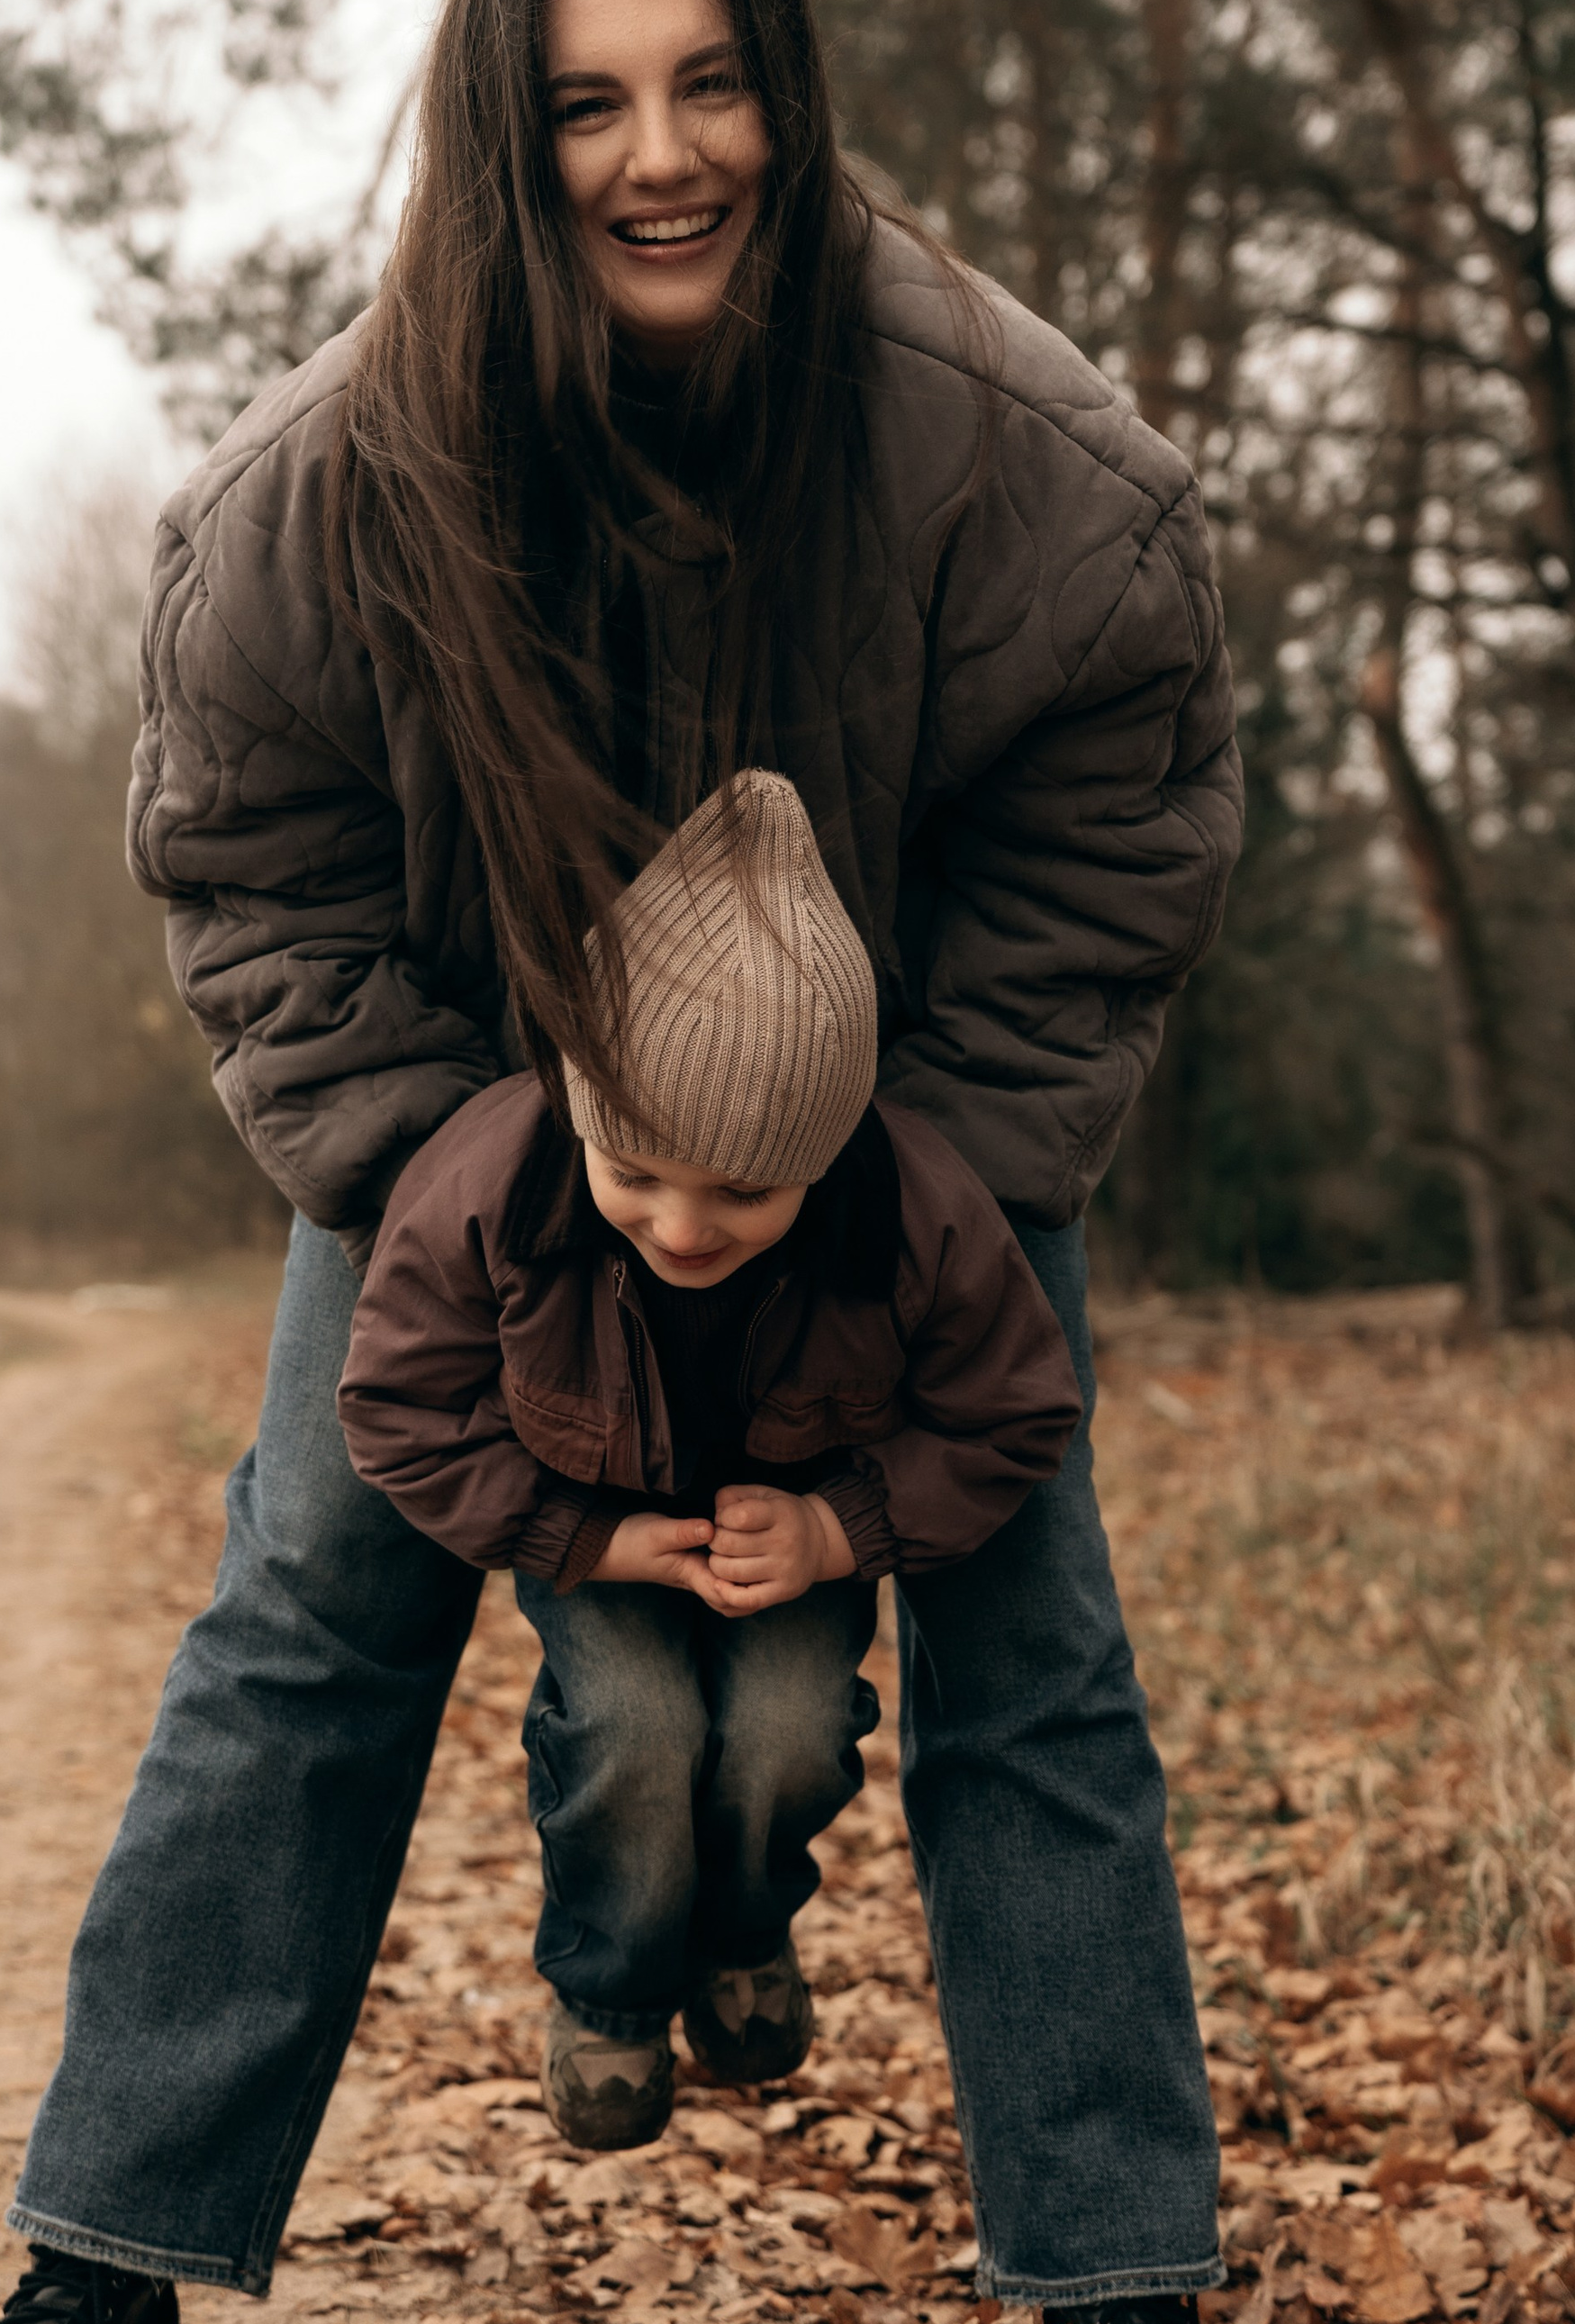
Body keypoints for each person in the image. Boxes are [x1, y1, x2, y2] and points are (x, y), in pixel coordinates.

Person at [0, 0, 1252, 2324]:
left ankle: (1124, 2320)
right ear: (500, 146)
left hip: (893, 1149)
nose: (664, 154)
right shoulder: (332, 482)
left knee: (1038, 1656)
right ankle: (101, 2299)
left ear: (789, 95)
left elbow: (1122, 811)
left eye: (712, 81)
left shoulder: (1009, 443)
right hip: (471, 1159)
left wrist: (902, 1188)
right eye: (590, 103)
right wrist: (473, 1197)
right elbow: (246, 860)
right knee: (305, 1613)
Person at [336, 769, 1083, 2153]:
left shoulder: (913, 1211)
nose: (681, 1228)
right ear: (582, 1108)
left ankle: (745, 1933)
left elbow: (1015, 1409)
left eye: (743, 1191)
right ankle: (613, 1990)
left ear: (827, 1150)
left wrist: (841, 1530)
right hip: (596, 1530)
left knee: (791, 1736)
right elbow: (397, 1405)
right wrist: (579, 1539)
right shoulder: (493, 1181)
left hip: (795, 1529)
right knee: (633, 1732)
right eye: (640, 1173)